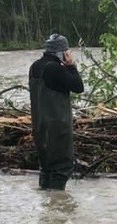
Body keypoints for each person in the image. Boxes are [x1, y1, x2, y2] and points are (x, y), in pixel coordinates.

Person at [29, 34, 84, 190]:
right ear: (62, 52)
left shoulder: (34, 67)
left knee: (45, 168)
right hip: (58, 128)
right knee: (61, 169)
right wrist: (71, 65)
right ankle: (57, 202)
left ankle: (47, 200)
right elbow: (78, 87)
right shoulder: (55, 68)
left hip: (39, 127)